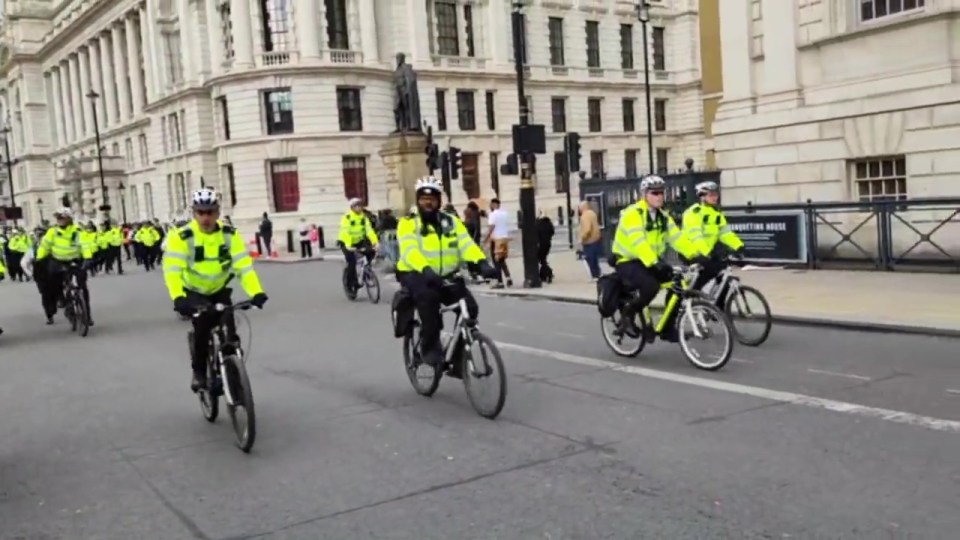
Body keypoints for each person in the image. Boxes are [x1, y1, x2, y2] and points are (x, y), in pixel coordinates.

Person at [163, 188, 268, 392]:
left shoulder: (229, 234)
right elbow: (172, 271)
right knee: (202, 330)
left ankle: (233, 373)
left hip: (219, 289)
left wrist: (256, 292)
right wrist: (178, 298)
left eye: (210, 212)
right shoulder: (182, 236)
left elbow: (243, 267)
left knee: (230, 332)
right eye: (200, 212)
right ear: (194, 213)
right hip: (194, 291)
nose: (205, 217)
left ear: (218, 213)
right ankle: (199, 373)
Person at [396, 177, 497, 367]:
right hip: (416, 273)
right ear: (417, 200)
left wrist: (481, 262)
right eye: (424, 198)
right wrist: (425, 270)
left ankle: (457, 356)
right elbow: (410, 251)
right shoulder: (408, 223)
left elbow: (466, 244)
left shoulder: (451, 221)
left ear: (439, 201)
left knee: (470, 308)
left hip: (446, 275)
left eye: (432, 198)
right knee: (429, 301)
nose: (428, 202)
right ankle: (429, 348)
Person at [612, 175, 705, 341]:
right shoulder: (633, 214)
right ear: (644, 194)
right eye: (655, 193)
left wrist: (696, 255)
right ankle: (628, 314)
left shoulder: (663, 216)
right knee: (651, 286)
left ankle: (667, 328)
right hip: (627, 261)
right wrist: (655, 263)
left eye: (662, 193)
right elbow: (639, 243)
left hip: (650, 260)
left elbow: (678, 238)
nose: (660, 196)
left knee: (678, 284)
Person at [681, 181, 745, 300]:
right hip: (692, 251)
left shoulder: (717, 214)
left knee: (723, 275)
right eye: (711, 195)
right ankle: (692, 295)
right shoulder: (693, 213)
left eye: (716, 194)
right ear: (702, 196)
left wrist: (738, 246)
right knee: (711, 270)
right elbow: (696, 237)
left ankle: (718, 311)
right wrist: (707, 252)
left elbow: (725, 234)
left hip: (708, 251)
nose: (715, 197)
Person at [34, 208, 95, 326]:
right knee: (53, 281)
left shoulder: (77, 231)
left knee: (82, 286)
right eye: (58, 218)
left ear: (69, 218)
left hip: (75, 259)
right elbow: (45, 246)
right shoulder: (52, 232)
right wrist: (39, 258)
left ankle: (87, 315)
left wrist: (87, 257)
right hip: (58, 260)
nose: (60, 220)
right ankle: (62, 300)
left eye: (62, 217)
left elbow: (85, 245)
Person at [338, 198, 379, 291]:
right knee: (351, 262)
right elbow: (345, 232)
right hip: (346, 242)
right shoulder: (347, 217)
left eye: (360, 206)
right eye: (356, 206)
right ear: (352, 208)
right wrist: (348, 245)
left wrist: (375, 242)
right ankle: (350, 284)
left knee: (371, 252)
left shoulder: (364, 217)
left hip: (359, 241)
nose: (359, 208)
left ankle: (367, 272)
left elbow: (369, 231)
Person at [484, 198, 513, 288]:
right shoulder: (504, 213)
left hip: (496, 240)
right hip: (504, 238)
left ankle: (500, 282)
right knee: (502, 260)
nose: (490, 206)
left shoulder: (493, 214)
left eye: (491, 204)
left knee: (496, 261)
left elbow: (491, 227)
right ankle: (508, 277)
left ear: (494, 204)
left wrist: (486, 238)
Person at [578, 200, 603, 280]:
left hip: (589, 241)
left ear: (583, 207)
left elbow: (587, 229)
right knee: (594, 258)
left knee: (590, 258)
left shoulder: (585, 216)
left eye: (579, 208)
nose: (579, 209)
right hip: (596, 239)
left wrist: (582, 238)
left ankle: (595, 275)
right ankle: (598, 273)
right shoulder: (592, 213)